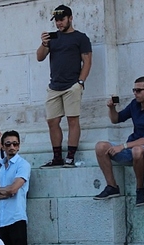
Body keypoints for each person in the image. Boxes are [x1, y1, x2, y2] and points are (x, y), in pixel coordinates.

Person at [37, 4, 92, 168]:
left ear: (70, 18)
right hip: (54, 86)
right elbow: (39, 57)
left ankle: (70, 156)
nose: (59, 23)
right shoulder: (53, 38)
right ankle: (57, 157)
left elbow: (87, 61)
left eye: (62, 20)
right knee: (52, 121)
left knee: (72, 120)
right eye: (56, 21)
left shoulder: (80, 38)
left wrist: (80, 83)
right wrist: (44, 43)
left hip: (72, 85)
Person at [94, 76, 144, 206]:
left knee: (137, 150)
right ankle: (112, 186)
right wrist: (112, 108)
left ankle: (140, 189)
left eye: (139, 90)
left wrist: (123, 146)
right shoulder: (134, 104)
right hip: (131, 147)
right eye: (134, 90)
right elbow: (116, 119)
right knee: (100, 146)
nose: (135, 93)